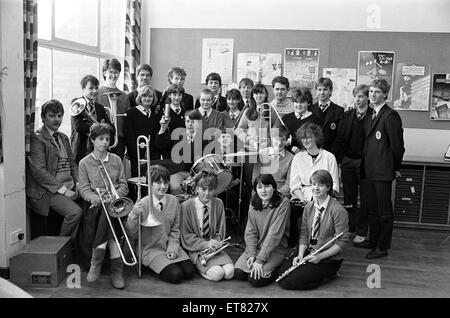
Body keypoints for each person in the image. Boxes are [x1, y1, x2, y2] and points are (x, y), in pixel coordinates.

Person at [77, 123, 129, 289]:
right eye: (101, 139)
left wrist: (115, 196)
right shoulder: (84, 163)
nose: (105, 142)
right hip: (95, 206)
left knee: (110, 211)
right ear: (92, 140)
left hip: (116, 203)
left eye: (107, 139)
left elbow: (124, 185)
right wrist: (97, 199)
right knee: (108, 212)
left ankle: (96, 261)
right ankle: (117, 269)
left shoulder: (116, 160)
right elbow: (84, 190)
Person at [278, 169, 348, 290]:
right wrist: (300, 255)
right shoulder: (309, 207)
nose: (316, 188)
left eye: (321, 185)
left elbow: (342, 242)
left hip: (328, 258)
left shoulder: (338, 211)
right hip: (310, 251)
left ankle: (328, 275)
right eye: (314, 184)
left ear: (328, 187)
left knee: (291, 281)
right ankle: (309, 270)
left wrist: (320, 257)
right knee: (282, 275)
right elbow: (304, 233)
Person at [359, 79, 405, 259]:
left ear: (385, 94)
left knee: (384, 211)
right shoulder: (373, 114)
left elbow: (398, 146)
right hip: (370, 170)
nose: (372, 95)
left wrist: (395, 167)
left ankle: (382, 247)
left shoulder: (390, 115)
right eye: (371, 91)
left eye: (377, 92)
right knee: (372, 208)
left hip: (383, 171)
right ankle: (373, 240)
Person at [126, 165, 195, 284]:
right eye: (158, 183)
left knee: (189, 272)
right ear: (150, 184)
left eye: (166, 183)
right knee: (176, 275)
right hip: (150, 249)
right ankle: (152, 264)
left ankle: (165, 263)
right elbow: (132, 235)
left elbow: (175, 229)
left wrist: (173, 248)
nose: (163, 187)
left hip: (168, 244)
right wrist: (133, 214)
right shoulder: (143, 204)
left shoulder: (173, 200)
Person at [26, 99, 82, 241]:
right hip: (49, 191)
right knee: (75, 212)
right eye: (52, 116)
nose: (57, 119)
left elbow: (72, 164)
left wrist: (79, 184)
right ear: (43, 117)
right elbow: (39, 171)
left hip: (68, 187)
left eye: (60, 115)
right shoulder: (37, 138)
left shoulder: (63, 137)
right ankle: (61, 245)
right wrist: (64, 190)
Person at [234, 174, 290, 287]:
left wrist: (260, 260)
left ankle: (277, 267)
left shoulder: (283, 203)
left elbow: (274, 235)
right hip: (258, 248)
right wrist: (251, 254)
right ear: (256, 190)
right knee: (238, 273)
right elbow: (251, 231)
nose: (263, 191)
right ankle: (260, 264)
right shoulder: (254, 202)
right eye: (259, 187)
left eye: (267, 186)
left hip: (276, 249)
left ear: (274, 187)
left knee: (255, 280)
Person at [180, 170, 234, 281]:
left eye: (211, 189)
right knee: (218, 274)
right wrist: (205, 244)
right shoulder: (186, 207)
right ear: (196, 189)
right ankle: (198, 267)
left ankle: (207, 268)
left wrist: (215, 243)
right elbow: (186, 236)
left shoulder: (218, 203)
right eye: (203, 189)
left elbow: (221, 230)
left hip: (214, 247)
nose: (207, 193)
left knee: (229, 273)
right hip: (196, 248)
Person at [337, 84, 372, 244]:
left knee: (365, 198)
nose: (358, 100)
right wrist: (340, 159)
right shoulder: (348, 115)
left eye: (361, 96)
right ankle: (351, 227)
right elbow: (341, 137)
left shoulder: (373, 115)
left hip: (365, 162)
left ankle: (362, 230)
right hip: (348, 161)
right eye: (356, 96)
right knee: (349, 198)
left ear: (367, 98)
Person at [156, 109, 205, 195]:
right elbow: (160, 144)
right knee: (175, 187)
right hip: (177, 171)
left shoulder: (203, 138)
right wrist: (163, 127)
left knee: (199, 189)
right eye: (187, 121)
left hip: (196, 173)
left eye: (193, 122)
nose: (190, 124)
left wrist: (195, 177)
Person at [290, 122, 339, 205]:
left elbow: (334, 186)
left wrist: (319, 199)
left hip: (325, 198)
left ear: (316, 137)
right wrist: (303, 200)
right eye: (303, 138)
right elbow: (294, 185)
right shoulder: (297, 158)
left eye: (308, 137)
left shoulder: (329, 157)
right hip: (302, 199)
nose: (305, 141)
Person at [124, 85, 164, 178]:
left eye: (150, 96)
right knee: (138, 180)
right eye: (144, 96)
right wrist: (135, 154)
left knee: (152, 179)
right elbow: (129, 135)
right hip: (137, 154)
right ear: (140, 97)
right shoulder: (132, 113)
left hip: (152, 154)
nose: (147, 98)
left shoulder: (154, 115)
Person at [71, 75, 112, 164]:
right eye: (91, 88)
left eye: (96, 88)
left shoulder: (100, 107)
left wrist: (103, 127)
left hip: (97, 150)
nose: (94, 91)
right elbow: (78, 126)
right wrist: (100, 127)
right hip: (81, 148)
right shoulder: (77, 103)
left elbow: (110, 128)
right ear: (83, 89)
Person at [96, 58, 130, 159]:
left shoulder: (124, 96)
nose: (114, 75)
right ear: (104, 73)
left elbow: (126, 122)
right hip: (100, 137)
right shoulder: (97, 93)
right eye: (110, 72)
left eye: (116, 72)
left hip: (119, 139)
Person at [310, 77, 344, 158]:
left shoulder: (339, 110)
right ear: (316, 91)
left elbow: (340, 136)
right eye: (319, 89)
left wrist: (331, 153)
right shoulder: (310, 109)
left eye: (325, 89)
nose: (322, 92)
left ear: (330, 91)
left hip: (332, 153)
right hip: (313, 151)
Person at [282, 87, 321, 154]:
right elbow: (279, 137)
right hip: (287, 156)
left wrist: (292, 141)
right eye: (296, 102)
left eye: (302, 102)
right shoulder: (286, 118)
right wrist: (290, 146)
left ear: (308, 103)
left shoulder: (315, 120)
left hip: (307, 156)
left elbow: (317, 141)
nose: (299, 105)